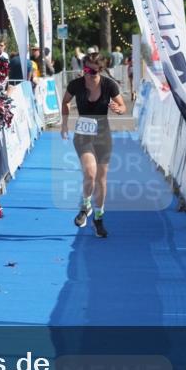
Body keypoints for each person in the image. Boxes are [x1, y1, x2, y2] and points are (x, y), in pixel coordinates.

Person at [60, 52, 126, 238]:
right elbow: (65, 101)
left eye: (93, 71)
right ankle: (85, 206)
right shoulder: (76, 84)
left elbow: (123, 106)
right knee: (90, 173)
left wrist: (118, 109)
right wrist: (64, 124)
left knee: (101, 178)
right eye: (86, 69)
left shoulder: (109, 85)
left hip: (103, 135)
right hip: (83, 134)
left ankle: (98, 218)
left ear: (101, 70)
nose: (88, 74)